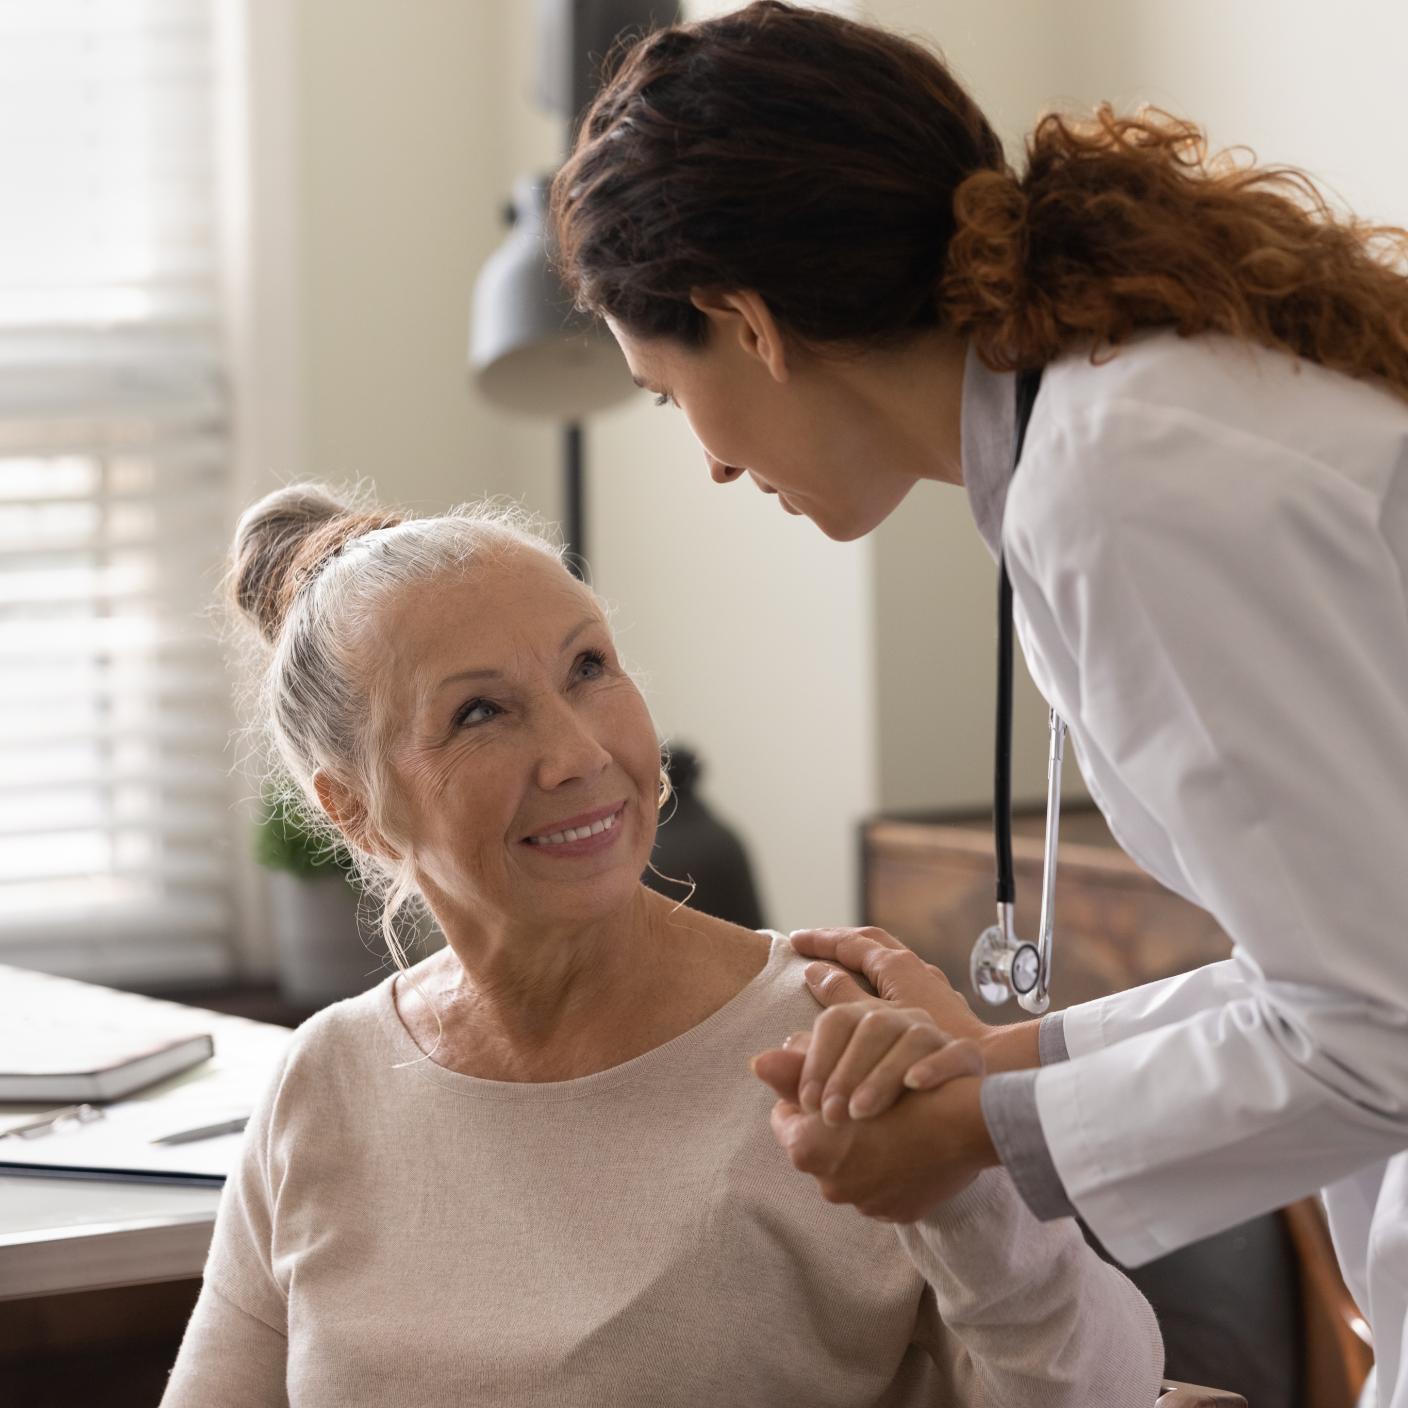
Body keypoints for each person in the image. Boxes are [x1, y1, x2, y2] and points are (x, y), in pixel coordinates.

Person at [549, 2, 1408, 1403]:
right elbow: (1344, 962)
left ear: (744, 322)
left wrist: (981, 1131)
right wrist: (997, 1060)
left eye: (667, 394)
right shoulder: (1123, 424)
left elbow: (1377, 1025)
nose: (706, 464)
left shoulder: (1126, 487)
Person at [160, 485, 1162, 1406]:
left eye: (588, 668)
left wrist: (966, 1176)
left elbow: (1103, 1391)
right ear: (357, 812)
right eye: (479, 712)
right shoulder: (324, 1081)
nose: (581, 752)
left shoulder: (842, 1038)